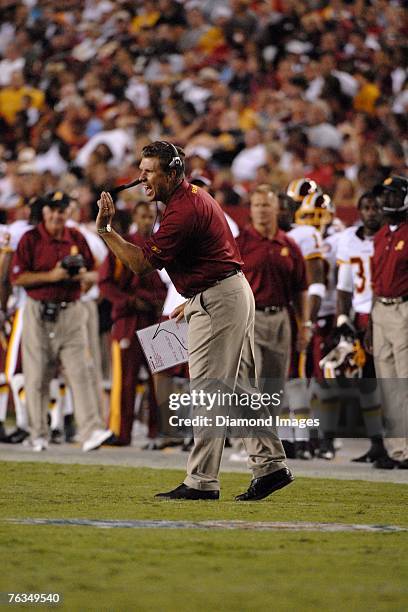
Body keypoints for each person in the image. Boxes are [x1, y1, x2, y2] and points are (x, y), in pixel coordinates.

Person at [96, 140, 293, 500]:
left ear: (172, 172)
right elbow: (212, 253)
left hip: (221, 297)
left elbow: (142, 265)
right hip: (223, 292)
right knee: (239, 388)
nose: (141, 179)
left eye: (149, 171)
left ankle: (201, 481)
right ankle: (270, 466)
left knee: (208, 389)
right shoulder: (191, 197)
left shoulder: (182, 209)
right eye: (140, 170)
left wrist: (107, 231)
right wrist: (196, 299)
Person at [10, 191, 112, 452]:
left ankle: (90, 430)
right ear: (44, 212)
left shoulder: (76, 237)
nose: (56, 214)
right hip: (38, 311)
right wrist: (52, 275)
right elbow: (18, 278)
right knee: (36, 376)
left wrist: (83, 276)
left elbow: (96, 270)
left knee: (81, 371)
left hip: (71, 310)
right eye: (52, 210)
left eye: (61, 210)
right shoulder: (31, 238)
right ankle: (38, 433)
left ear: (68, 213)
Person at [99, 202, 167, 445]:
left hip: (156, 321)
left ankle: (158, 432)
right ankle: (120, 431)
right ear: (136, 218)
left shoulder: (164, 243)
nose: (147, 220)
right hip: (128, 320)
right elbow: (105, 283)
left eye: (150, 215)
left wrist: (157, 302)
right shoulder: (123, 245)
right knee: (124, 380)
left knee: (158, 380)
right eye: (143, 215)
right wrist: (129, 301)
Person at [336, 191, 389, 463]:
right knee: (367, 383)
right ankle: (377, 442)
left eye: (375, 207)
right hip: (362, 317)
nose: (371, 212)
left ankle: (395, 444)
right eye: (366, 207)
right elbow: (344, 287)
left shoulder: (392, 237)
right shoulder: (348, 240)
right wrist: (342, 320)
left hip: (388, 314)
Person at [368, 176, 408, 469]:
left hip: (404, 309)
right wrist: (371, 321)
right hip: (381, 310)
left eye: (393, 195)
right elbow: (376, 282)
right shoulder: (382, 235)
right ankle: (397, 450)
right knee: (388, 383)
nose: (386, 200)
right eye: (385, 195)